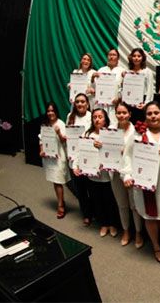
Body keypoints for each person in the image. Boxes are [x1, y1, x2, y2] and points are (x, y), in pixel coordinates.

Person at [123, 102, 160, 264]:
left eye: (156, 113)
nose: (153, 116)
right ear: (145, 117)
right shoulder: (137, 135)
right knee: (150, 216)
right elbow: (127, 157)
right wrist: (127, 175)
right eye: (149, 113)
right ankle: (156, 246)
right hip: (145, 184)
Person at [75, 108, 120, 237]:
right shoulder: (87, 134)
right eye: (95, 117)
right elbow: (80, 152)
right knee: (97, 200)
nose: (97, 119)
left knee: (110, 201)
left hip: (107, 176)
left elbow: (117, 152)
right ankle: (104, 224)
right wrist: (76, 165)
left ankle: (112, 224)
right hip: (92, 176)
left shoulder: (111, 134)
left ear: (105, 119)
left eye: (100, 117)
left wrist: (103, 146)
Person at [113, 102, 144, 247]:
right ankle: (126, 231)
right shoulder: (111, 131)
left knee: (135, 205)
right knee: (122, 204)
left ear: (130, 114)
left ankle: (138, 232)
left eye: (124, 112)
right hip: (115, 171)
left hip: (132, 174)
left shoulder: (137, 130)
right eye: (118, 113)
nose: (121, 115)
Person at [39, 102, 69, 219]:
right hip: (49, 157)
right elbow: (41, 140)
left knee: (58, 181)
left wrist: (59, 133)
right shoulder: (45, 124)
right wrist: (41, 150)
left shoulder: (60, 123)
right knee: (55, 181)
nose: (50, 113)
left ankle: (61, 205)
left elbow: (64, 141)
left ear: (56, 111)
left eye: (52, 110)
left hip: (59, 157)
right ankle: (61, 201)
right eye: (48, 111)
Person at [67, 93, 93, 226]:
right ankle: (86, 214)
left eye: (83, 101)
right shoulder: (70, 116)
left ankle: (96, 212)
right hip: (74, 158)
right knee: (80, 190)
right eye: (77, 102)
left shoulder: (91, 116)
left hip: (89, 157)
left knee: (91, 189)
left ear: (87, 104)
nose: (80, 104)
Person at [94, 49, 126, 126]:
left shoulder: (122, 71)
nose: (111, 57)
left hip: (115, 104)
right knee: (101, 125)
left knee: (114, 125)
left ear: (118, 58)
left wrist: (119, 98)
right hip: (102, 104)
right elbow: (95, 88)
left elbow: (125, 88)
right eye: (110, 55)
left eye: (114, 55)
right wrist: (93, 78)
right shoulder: (101, 70)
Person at [125, 48, 155, 115]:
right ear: (131, 57)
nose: (136, 58)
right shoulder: (127, 72)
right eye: (134, 56)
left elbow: (150, 89)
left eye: (139, 56)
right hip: (129, 101)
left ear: (143, 58)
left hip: (142, 102)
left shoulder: (147, 71)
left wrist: (146, 103)